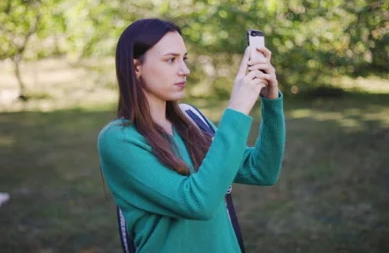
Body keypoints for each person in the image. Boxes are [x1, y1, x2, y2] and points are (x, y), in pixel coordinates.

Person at [97, 18, 285, 253]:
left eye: (183, 59)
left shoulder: (192, 123)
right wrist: (236, 109)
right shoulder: (119, 139)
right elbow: (197, 203)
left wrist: (271, 102)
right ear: (137, 68)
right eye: (170, 60)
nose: (185, 70)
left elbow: (262, 171)